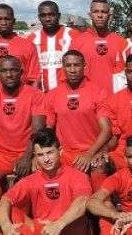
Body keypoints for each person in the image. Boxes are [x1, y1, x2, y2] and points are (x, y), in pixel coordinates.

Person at [0, 128, 91, 234]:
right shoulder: (31, 180)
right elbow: (3, 202)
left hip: (69, 230)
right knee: (10, 212)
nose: (46, 159)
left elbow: (82, 203)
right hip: (43, 231)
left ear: (60, 151)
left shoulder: (77, 176)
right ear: (35, 156)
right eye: (40, 155)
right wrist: (6, 227)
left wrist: (58, 224)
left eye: (49, 153)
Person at [43, 50, 112, 190]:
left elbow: (106, 130)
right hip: (65, 153)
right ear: (63, 67)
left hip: (91, 149)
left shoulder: (97, 91)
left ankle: (99, 207)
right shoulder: (53, 94)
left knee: (98, 165)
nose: (72, 70)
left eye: (76, 65)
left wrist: (89, 153)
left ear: (84, 66)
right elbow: (48, 129)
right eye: (68, 66)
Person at [71, 0, 127, 93]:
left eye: (103, 12)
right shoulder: (77, 41)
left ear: (109, 15)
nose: (100, 15)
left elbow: (124, 74)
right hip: (87, 98)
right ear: (90, 15)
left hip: (112, 99)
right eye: (96, 11)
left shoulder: (121, 42)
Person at [26, 0, 81, 91]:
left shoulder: (73, 35)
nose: (47, 19)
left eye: (51, 14)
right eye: (43, 15)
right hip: (41, 95)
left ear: (58, 15)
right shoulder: (31, 39)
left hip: (67, 93)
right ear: (39, 17)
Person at [0, 4, 40, 85]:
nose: (3, 22)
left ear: (13, 21)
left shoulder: (28, 45)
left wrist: (30, 96)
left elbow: (34, 78)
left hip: (21, 95)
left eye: (7, 19)